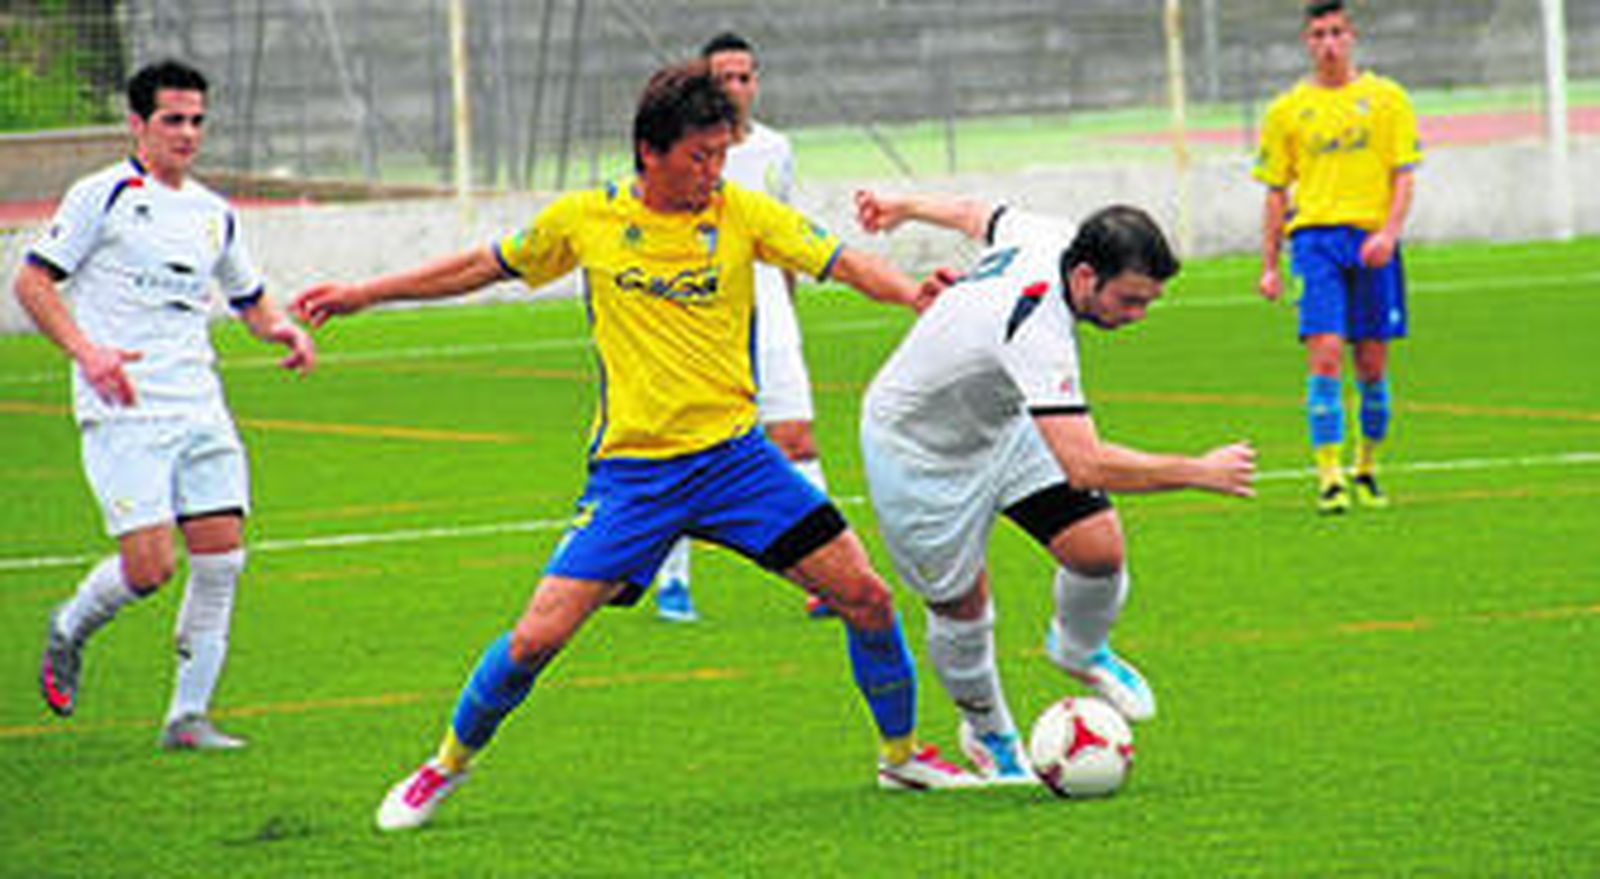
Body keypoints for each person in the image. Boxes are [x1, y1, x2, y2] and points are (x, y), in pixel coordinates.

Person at [292, 61, 978, 832]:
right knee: (534, 638)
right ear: (650, 152)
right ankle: (443, 765)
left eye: (722, 154)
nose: (714, 172)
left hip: (738, 463)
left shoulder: (742, 212)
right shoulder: (585, 219)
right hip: (635, 477)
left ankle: (902, 756)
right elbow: (480, 264)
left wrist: (912, 294)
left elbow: (840, 259)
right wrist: (364, 293)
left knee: (867, 597)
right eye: (700, 156)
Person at [854, 190, 1256, 783]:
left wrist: (904, 206)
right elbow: (1087, 466)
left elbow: (975, 215)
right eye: (1129, 300)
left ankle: (1078, 648)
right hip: (919, 453)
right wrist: (1200, 470)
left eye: (1148, 302)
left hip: (1002, 423)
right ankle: (990, 730)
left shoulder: (1054, 236)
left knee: (1098, 551)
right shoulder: (1037, 328)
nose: (1137, 315)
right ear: (1087, 275)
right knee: (961, 605)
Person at [20, 59, 316, 749]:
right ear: (137, 124)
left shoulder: (214, 212)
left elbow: (247, 298)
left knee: (221, 560)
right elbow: (33, 283)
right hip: (126, 408)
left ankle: (187, 717)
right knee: (150, 568)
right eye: (172, 120)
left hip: (200, 406)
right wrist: (88, 353)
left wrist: (281, 328)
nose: (188, 133)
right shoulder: (105, 194)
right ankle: (70, 624)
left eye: (196, 120)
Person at [651, 31, 836, 622]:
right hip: (703, 310)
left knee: (798, 437)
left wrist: (788, 307)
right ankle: (673, 582)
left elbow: (784, 236)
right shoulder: (682, 149)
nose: (735, 88)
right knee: (684, 445)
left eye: (744, 77)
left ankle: (826, 580)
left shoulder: (775, 149)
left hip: (770, 309)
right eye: (723, 78)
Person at [1254, 0, 1420, 514]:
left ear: (1352, 38)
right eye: (1318, 34)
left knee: (1371, 365)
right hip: (1316, 243)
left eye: (1336, 33)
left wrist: (1389, 233)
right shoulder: (1287, 111)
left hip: (1372, 245)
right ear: (1307, 42)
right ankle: (1329, 475)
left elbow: (1404, 174)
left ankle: (1366, 466)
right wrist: (1270, 263)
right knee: (1324, 354)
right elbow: (1276, 192)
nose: (1328, 43)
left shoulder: (1387, 99)